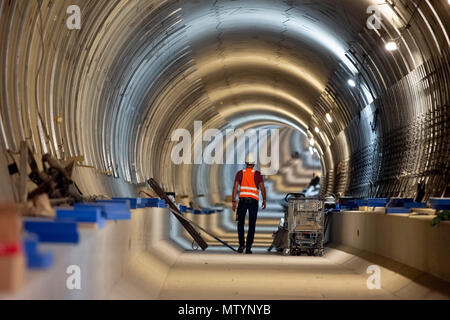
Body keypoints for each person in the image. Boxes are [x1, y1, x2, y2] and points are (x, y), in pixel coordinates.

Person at [232, 154, 267, 254]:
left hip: (242, 201)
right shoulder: (257, 174)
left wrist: (233, 201)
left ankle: (241, 245)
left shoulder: (240, 173)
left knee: (240, 223)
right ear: (254, 163)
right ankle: (248, 248)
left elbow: (235, 187)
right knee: (252, 224)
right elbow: (262, 188)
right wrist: (264, 200)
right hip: (253, 202)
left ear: (245, 163)